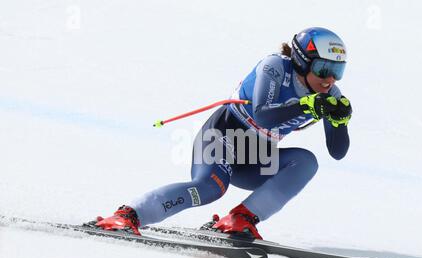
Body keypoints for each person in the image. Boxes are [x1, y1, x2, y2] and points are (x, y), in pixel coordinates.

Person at [92, 27, 352, 239]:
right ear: (301, 61)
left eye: (337, 71)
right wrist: (307, 104)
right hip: (222, 137)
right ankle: (130, 214)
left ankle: (241, 217)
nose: (330, 80)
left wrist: (339, 122)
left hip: (256, 157)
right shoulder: (275, 67)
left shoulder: (329, 95)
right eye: (323, 69)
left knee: (306, 162)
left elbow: (337, 152)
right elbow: (262, 113)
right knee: (209, 188)